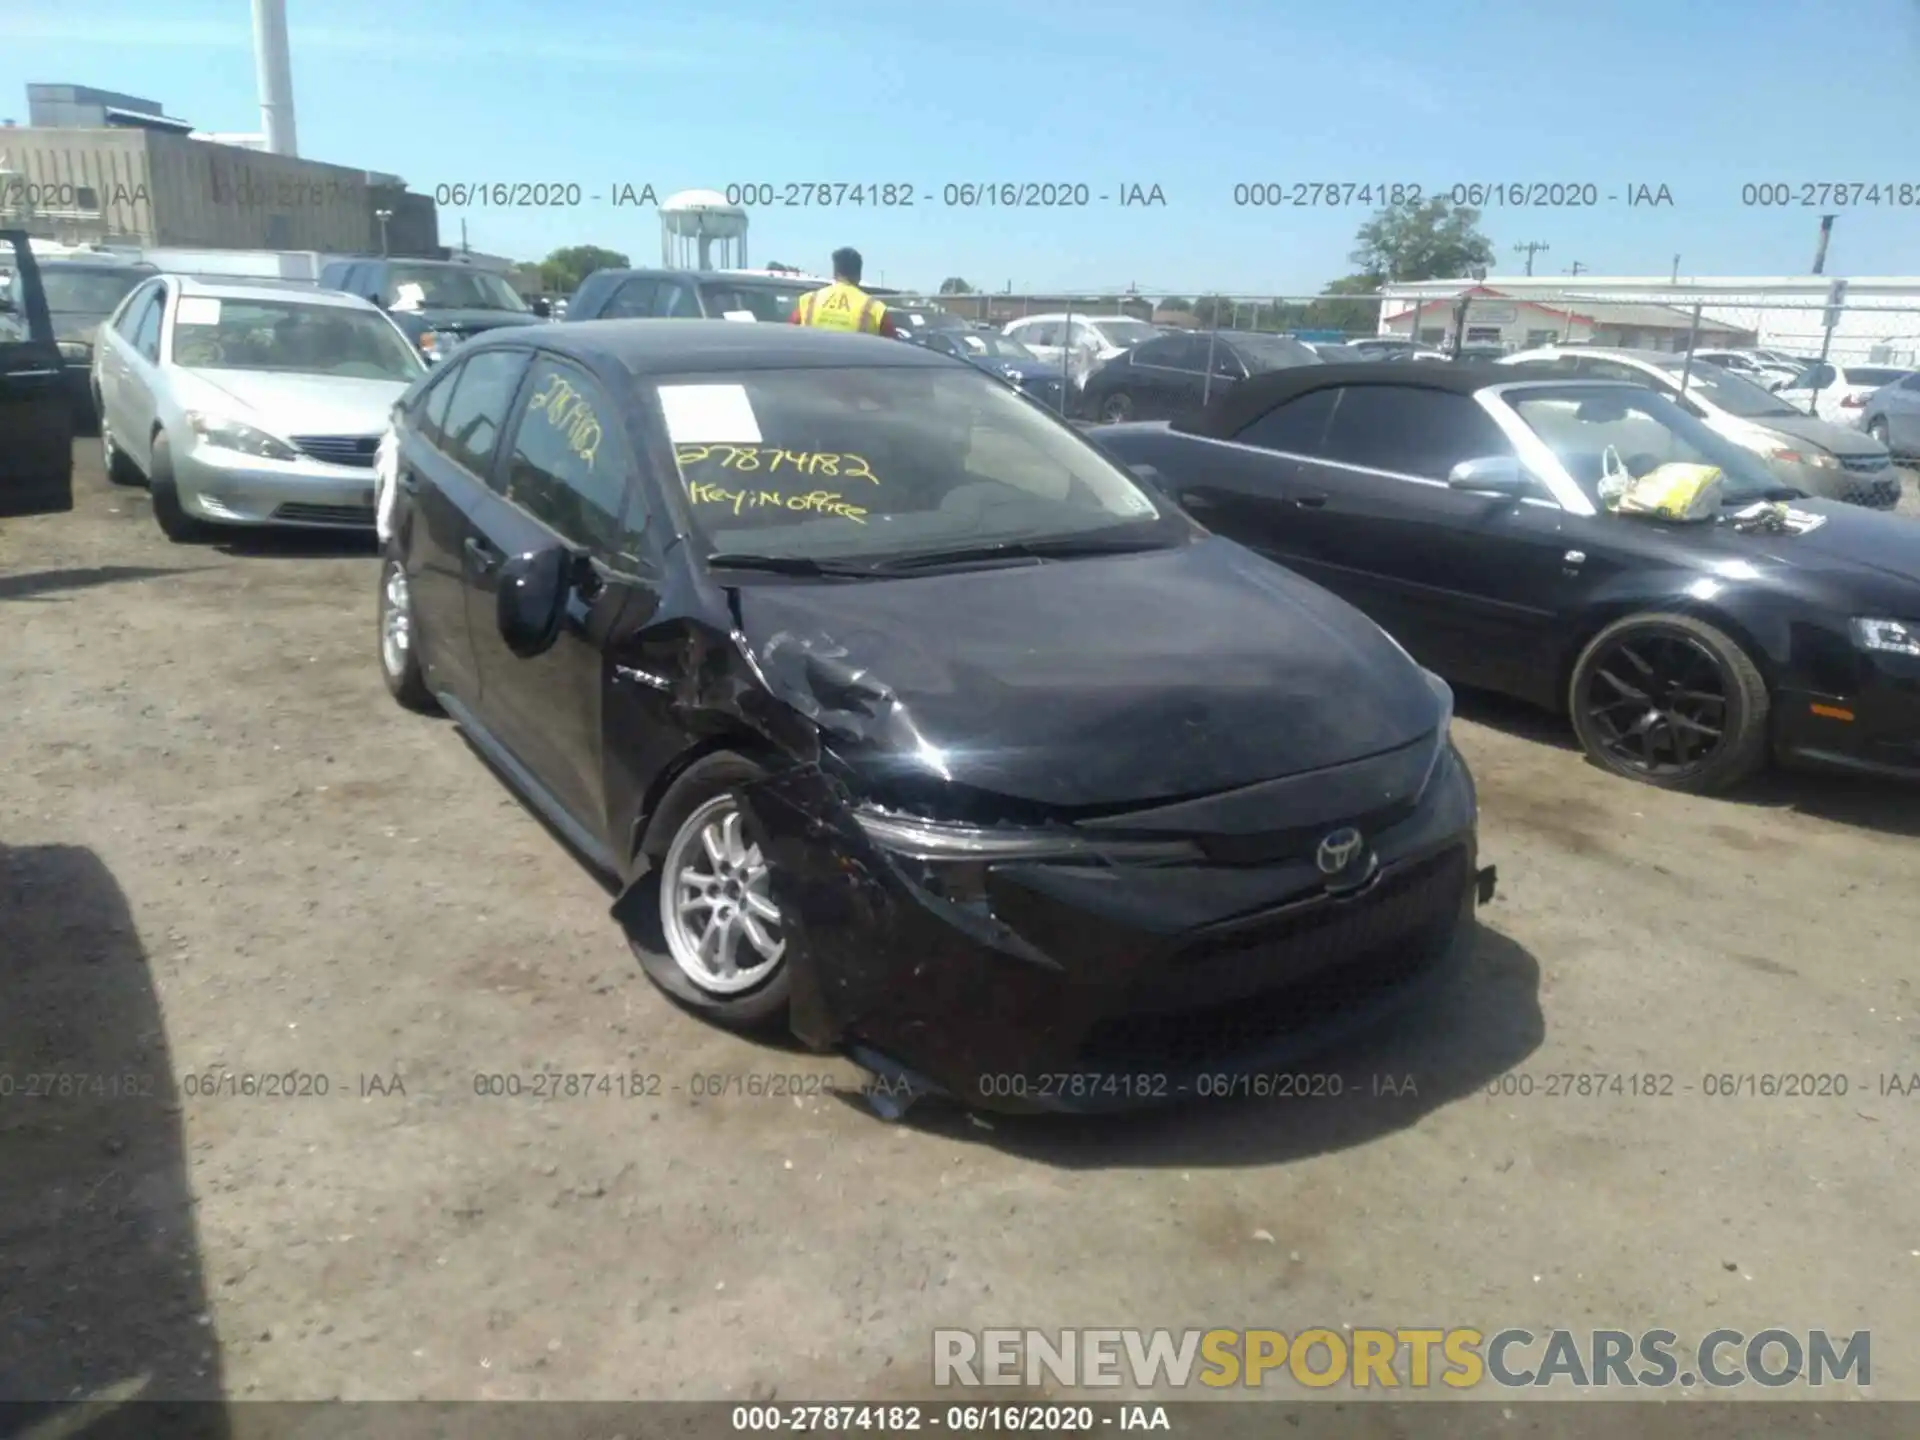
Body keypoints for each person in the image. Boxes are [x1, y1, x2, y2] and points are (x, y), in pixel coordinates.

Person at [790, 248, 899, 338]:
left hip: (812, 362)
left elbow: (789, 335)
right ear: (859, 275)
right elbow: (895, 349)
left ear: (835, 272)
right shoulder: (874, 308)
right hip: (855, 364)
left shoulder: (809, 301)